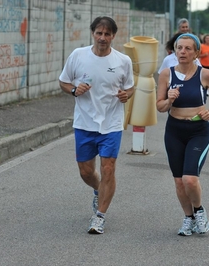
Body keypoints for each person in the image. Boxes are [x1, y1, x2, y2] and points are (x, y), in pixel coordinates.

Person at [58, 16, 135, 234]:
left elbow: (130, 88)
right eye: (99, 33)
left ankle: (99, 216)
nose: (103, 38)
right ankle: (97, 189)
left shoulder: (123, 61)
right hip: (84, 122)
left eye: (107, 34)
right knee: (85, 171)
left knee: (108, 168)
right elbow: (63, 81)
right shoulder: (78, 56)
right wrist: (73, 90)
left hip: (111, 123)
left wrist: (125, 95)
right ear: (93, 33)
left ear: (113, 36)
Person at [156, 33, 209, 236]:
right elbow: (160, 107)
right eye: (179, 48)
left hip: (198, 131)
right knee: (178, 180)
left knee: (190, 179)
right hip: (174, 131)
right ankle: (188, 218)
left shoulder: (204, 74)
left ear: (197, 52)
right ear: (174, 50)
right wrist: (169, 100)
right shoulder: (166, 75)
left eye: (188, 48)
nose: (183, 52)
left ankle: (199, 210)